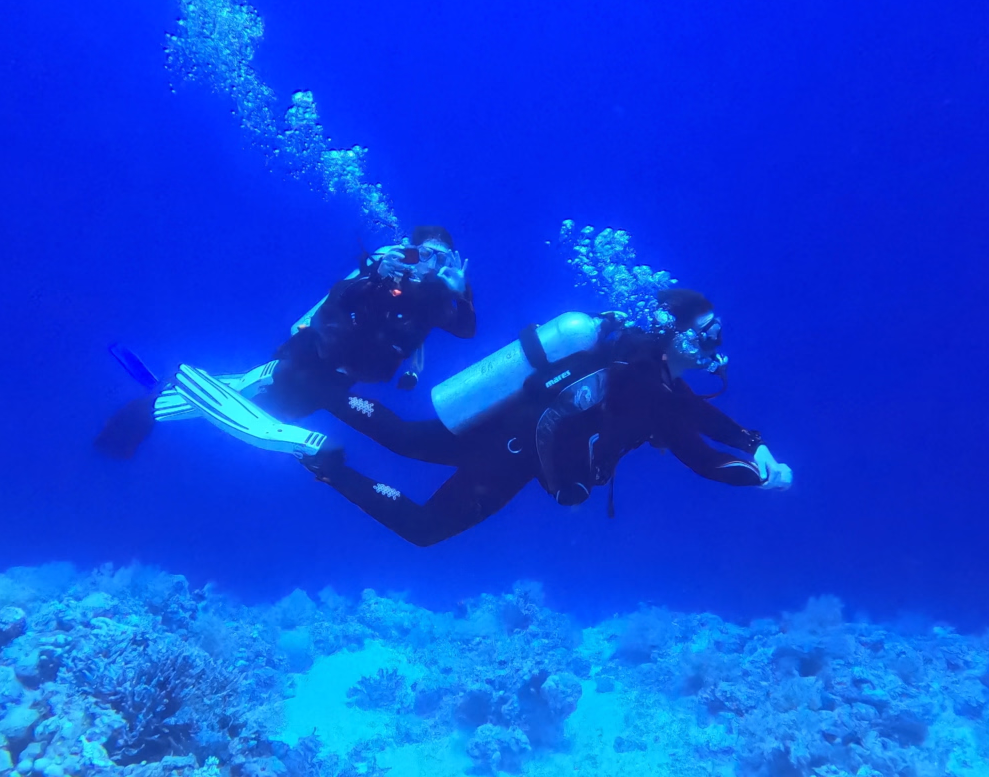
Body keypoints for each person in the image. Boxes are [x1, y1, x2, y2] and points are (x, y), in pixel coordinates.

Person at [300, 287, 791, 546]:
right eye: (710, 332)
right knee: (426, 528)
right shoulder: (648, 383)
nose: (716, 345)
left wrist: (754, 444)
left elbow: (697, 417)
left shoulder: (650, 375)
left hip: (506, 426)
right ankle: (328, 465)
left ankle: (314, 386)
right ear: (677, 334)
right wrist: (760, 478)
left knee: (404, 438)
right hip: (512, 454)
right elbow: (699, 454)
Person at [94, 227, 475, 458]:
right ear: (409, 248)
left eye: (437, 258)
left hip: (339, 379)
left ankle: (156, 402)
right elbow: (341, 297)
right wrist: (375, 274)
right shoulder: (386, 272)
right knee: (261, 408)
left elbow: (466, 329)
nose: (426, 263)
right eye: (422, 252)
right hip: (310, 355)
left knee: (264, 409)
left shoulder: (439, 301)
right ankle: (185, 381)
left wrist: (460, 292)